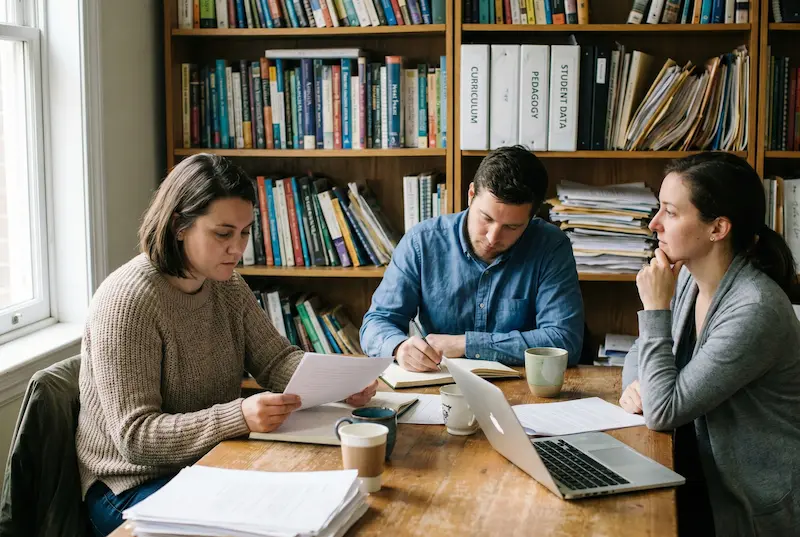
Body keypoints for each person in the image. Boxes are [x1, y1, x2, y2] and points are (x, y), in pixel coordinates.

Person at [76, 154, 378, 537]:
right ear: (179, 226)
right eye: (223, 234)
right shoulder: (127, 301)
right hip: (129, 486)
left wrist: (339, 381)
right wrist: (239, 416)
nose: (237, 249)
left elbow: (276, 360)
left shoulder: (227, 285)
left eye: (245, 232)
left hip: (210, 464)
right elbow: (136, 437)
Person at [620, 152, 800, 536]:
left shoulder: (754, 309)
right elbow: (640, 350)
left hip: (745, 508)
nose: (654, 223)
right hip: (691, 473)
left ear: (717, 228)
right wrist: (636, 387)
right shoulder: (688, 276)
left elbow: (662, 411)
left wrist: (655, 307)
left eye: (670, 212)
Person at [359, 145, 584, 371]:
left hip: (524, 386)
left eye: (512, 227)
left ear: (531, 218)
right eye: (486, 218)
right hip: (438, 382)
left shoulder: (550, 246)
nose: (492, 237)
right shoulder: (422, 242)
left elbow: (564, 341)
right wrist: (399, 347)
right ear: (471, 194)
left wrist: (465, 344)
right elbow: (376, 323)